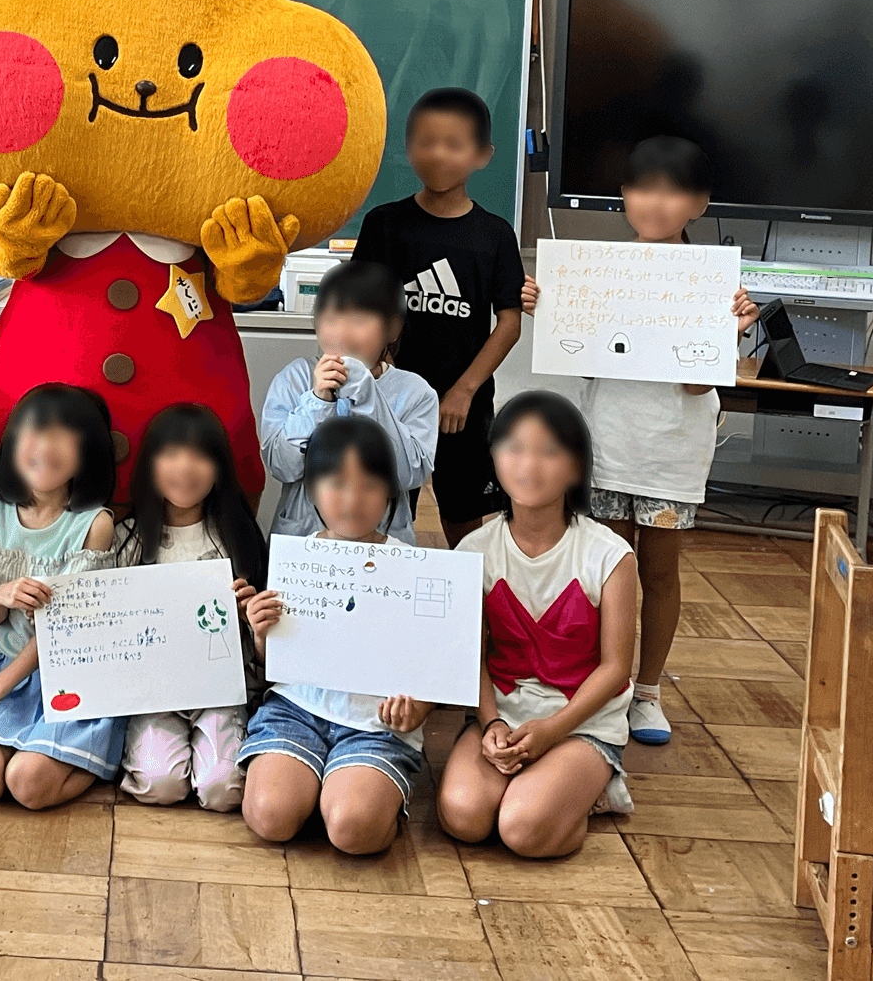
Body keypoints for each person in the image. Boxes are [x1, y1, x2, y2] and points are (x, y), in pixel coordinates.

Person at [520, 136, 759, 745]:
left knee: (658, 572)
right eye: (641, 187)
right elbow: (585, 362)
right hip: (606, 442)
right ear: (622, 196)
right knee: (603, 569)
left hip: (670, 448)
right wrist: (549, 311)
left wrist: (726, 330)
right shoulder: (597, 271)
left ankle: (646, 692)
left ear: (700, 203)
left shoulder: (714, 284)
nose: (654, 202)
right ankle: (603, 682)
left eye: (673, 190)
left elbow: (695, 382)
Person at [438, 391, 638, 857]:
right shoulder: (473, 550)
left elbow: (615, 668)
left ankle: (590, 789)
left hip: (580, 720)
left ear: (576, 467)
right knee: (462, 816)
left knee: (523, 829)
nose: (529, 464)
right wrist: (489, 722)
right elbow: (469, 655)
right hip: (503, 714)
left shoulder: (610, 555)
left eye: (549, 451)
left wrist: (552, 730)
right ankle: (546, 790)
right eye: (514, 447)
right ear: (493, 458)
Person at [240, 417, 430, 852]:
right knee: (270, 816)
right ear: (312, 490)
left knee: (353, 831)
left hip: (376, 723)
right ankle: (316, 792)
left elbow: (437, 659)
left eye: (368, 485)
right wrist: (261, 631)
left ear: (390, 493)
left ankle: (347, 799)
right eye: (336, 483)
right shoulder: (297, 559)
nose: (351, 499)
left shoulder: (412, 566)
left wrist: (420, 706)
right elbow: (276, 663)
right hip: (296, 710)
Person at [351, 87, 524, 544]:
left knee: (465, 525)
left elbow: (510, 322)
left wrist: (464, 390)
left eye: (454, 144)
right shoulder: (383, 225)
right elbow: (361, 308)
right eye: (425, 142)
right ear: (408, 148)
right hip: (388, 403)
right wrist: (375, 375)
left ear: (482, 155)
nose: (438, 155)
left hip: (463, 409)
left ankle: (474, 615)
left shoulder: (495, 235)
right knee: (381, 519)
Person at [0, 383, 120, 810]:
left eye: (64, 435)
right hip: (8, 666)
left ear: (88, 449)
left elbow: (66, 631)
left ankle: (102, 762)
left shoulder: (93, 524)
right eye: (33, 431)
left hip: (70, 673)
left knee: (27, 783)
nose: (45, 446)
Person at [113, 404, 267, 812]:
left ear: (219, 468)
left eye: (201, 455)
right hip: (153, 692)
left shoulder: (238, 536)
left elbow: (265, 642)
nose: (185, 467)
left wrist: (248, 616)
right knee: (160, 784)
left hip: (221, 688)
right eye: (171, 453)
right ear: (149, 464)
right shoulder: (126, 539)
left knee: (223, 790)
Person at [261, 261, 437, 545]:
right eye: (331, 319)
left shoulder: (415, 392)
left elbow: (409, 474)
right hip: (303, 543)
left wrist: (366, 392)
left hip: (383, 543)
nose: (342, 333)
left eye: (359, 320)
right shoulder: (294, 379)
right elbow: (282, 466)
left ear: (392, 329)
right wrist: (317, 401)